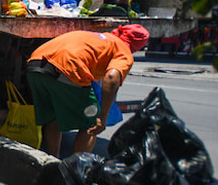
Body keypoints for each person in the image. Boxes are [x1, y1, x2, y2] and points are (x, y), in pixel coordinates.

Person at [26, 24, 149, 157]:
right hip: (66, 67)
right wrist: (102, 117)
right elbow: (112, 78)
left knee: (53, 118)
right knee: (91, 125)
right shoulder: (123, 50)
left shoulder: (98, 37)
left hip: (35, 64)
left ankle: (51, 163)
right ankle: (77, 168)